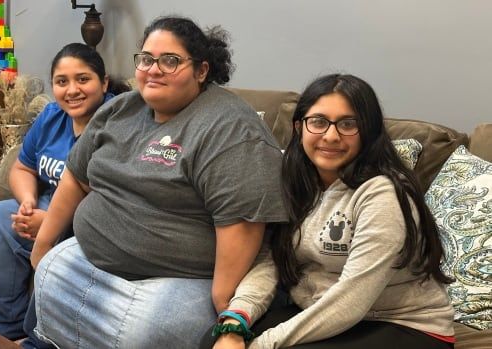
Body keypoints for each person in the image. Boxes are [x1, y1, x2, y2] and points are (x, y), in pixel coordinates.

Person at [28, 16, 288, 348]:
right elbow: (76, 178)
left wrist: (226, 307)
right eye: (147, 59)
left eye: (170, 61)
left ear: (202, 71)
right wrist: (42, 246)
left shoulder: (231, 130)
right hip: (92, 259)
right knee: (50, 273)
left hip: (179, 281)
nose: (153, 69)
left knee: (152, 329)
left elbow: (242, 222)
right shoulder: (121, 108)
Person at [204, 74, 455, 349]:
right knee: (213, 341)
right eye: (319, 122)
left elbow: (351, 299)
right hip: (323, 312)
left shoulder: (384, 194)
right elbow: (270, 261)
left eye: (348, 124)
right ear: (299, 127)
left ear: (368, 132)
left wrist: (262, 344)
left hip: (403, 324)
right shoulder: (291, 180)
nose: (331, 136)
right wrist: (235, 322)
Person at [0, 43, 130, 345]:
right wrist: (28, 202)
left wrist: (49, 223)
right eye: (62, 82)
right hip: (46, 205)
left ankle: (40, 337)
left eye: (83, 79)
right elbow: (22, 168)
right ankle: (8, 327)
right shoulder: (51, 116)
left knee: (63, 244)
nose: (72, 90)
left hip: (92, 220)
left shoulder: (119, 123)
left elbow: (114, 197)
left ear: (104, 82)